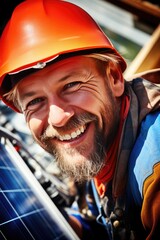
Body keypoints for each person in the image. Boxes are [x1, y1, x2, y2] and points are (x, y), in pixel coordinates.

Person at [0, 0, 160, 239]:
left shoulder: (154, 172)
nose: (59, 119)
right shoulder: (102, 147)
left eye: (72, 85)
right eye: (34, 102)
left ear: (114, 78)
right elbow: (91, 218)